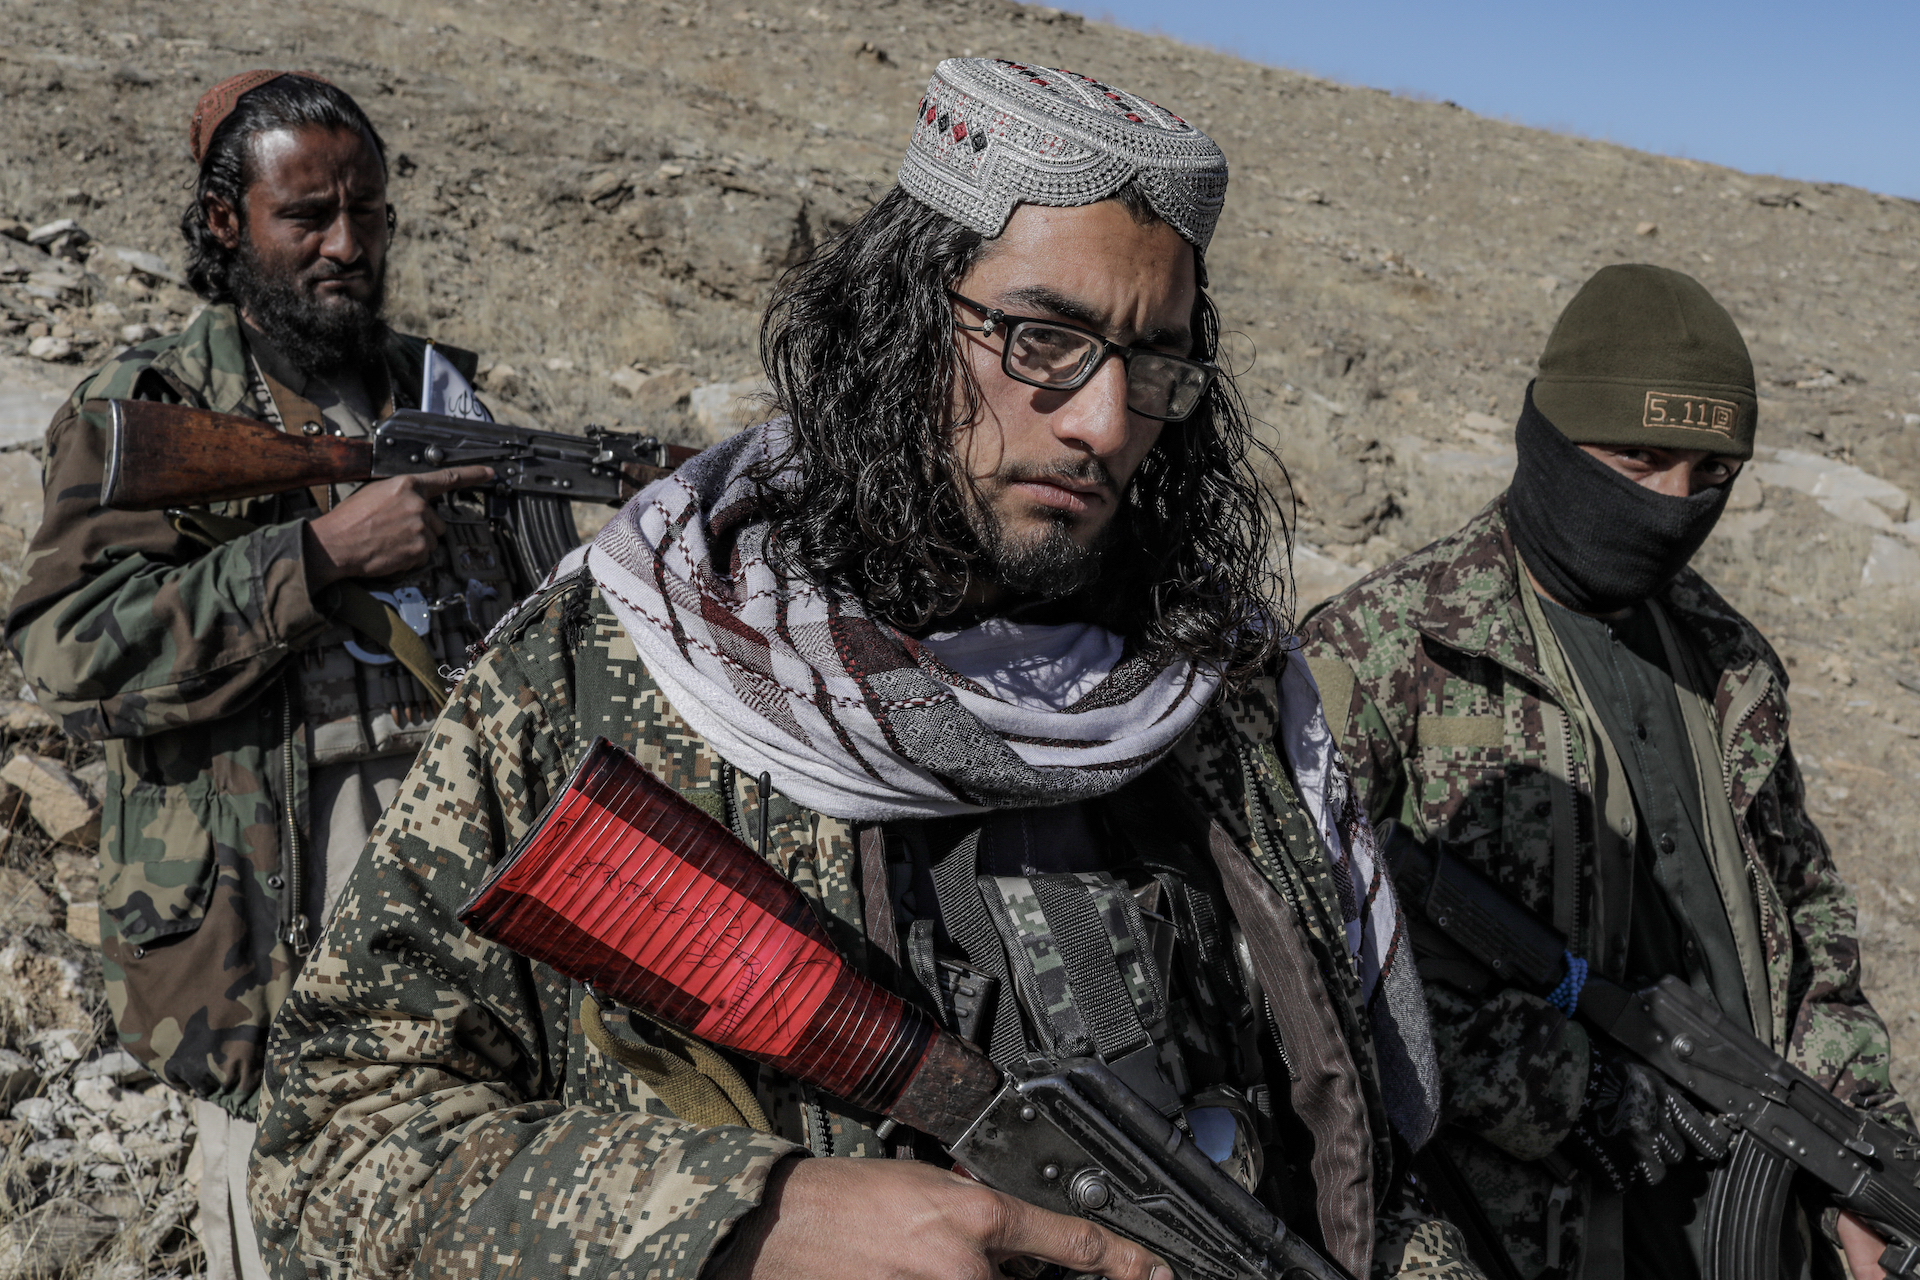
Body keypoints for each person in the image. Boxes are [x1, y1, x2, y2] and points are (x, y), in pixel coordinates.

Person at [249, 58, 1483, 1280]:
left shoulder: (1221, 701)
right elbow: (335, 1146)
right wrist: (751, 1216)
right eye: (1041, 338)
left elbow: (1368, 1143)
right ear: (899, 315)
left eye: (1151, 362)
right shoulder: (616, 674)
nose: (1104, 423)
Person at [4, 71, 528, 1280]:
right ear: (227, 221)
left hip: (460, 930)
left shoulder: (443, 396)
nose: (348, 244)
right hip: (261, 957)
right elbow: (71, 652)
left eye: (369, 212)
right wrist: (315, 557)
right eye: (309, 215)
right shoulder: (149, 410)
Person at [1301, 264, 1910, 1280]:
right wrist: (1562, 1088)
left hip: (1750, 1215)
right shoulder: (1386, 647)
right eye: (1640, 459)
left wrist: (1861, 1163)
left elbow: (1812, 937)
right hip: (1506, 1234)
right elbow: (1306, 970)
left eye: (1710, 475)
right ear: (1550, 437)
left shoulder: (1729, 658)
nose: (1672, 505)